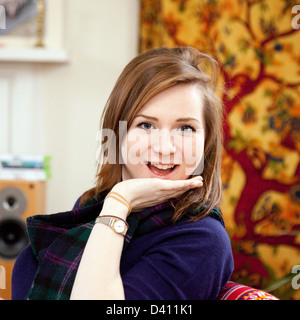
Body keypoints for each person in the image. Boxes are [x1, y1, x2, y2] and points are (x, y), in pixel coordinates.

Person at [12, 46, 234, 300]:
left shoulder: (202, 242)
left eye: (185, 128)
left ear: (206, 143)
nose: (164, 147)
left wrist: (119, 204)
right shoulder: (93, 206)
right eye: (146, 125)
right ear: (117, 135)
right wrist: (116, 204)